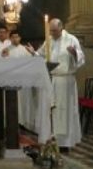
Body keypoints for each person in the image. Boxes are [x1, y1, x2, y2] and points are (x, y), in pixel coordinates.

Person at [25, 18, 84, 151]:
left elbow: (81, 58)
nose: (52, 33)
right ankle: (52, 139)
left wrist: (74, 54)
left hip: (65, 80)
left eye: (55, 31)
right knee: (51, 110)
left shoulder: (71, 39)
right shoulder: (49, 39)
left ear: (61, 27)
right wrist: (33, 52)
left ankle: (65, 142)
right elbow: (41, 56)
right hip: (51, 79)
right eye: (50, 31)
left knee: (64, 110)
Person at [3, 30, 38, 132]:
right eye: (13, 37)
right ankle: (13, 123)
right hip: (12, 81)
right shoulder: (6, 50)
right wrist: (4, 57)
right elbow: (4, 65)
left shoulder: (25, 49)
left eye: (17, 37)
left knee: (25, 102)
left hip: (24, 81)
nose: (15, 39)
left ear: (20, 38)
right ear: (10, 38)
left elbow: (32, 64)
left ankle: (25, 123)